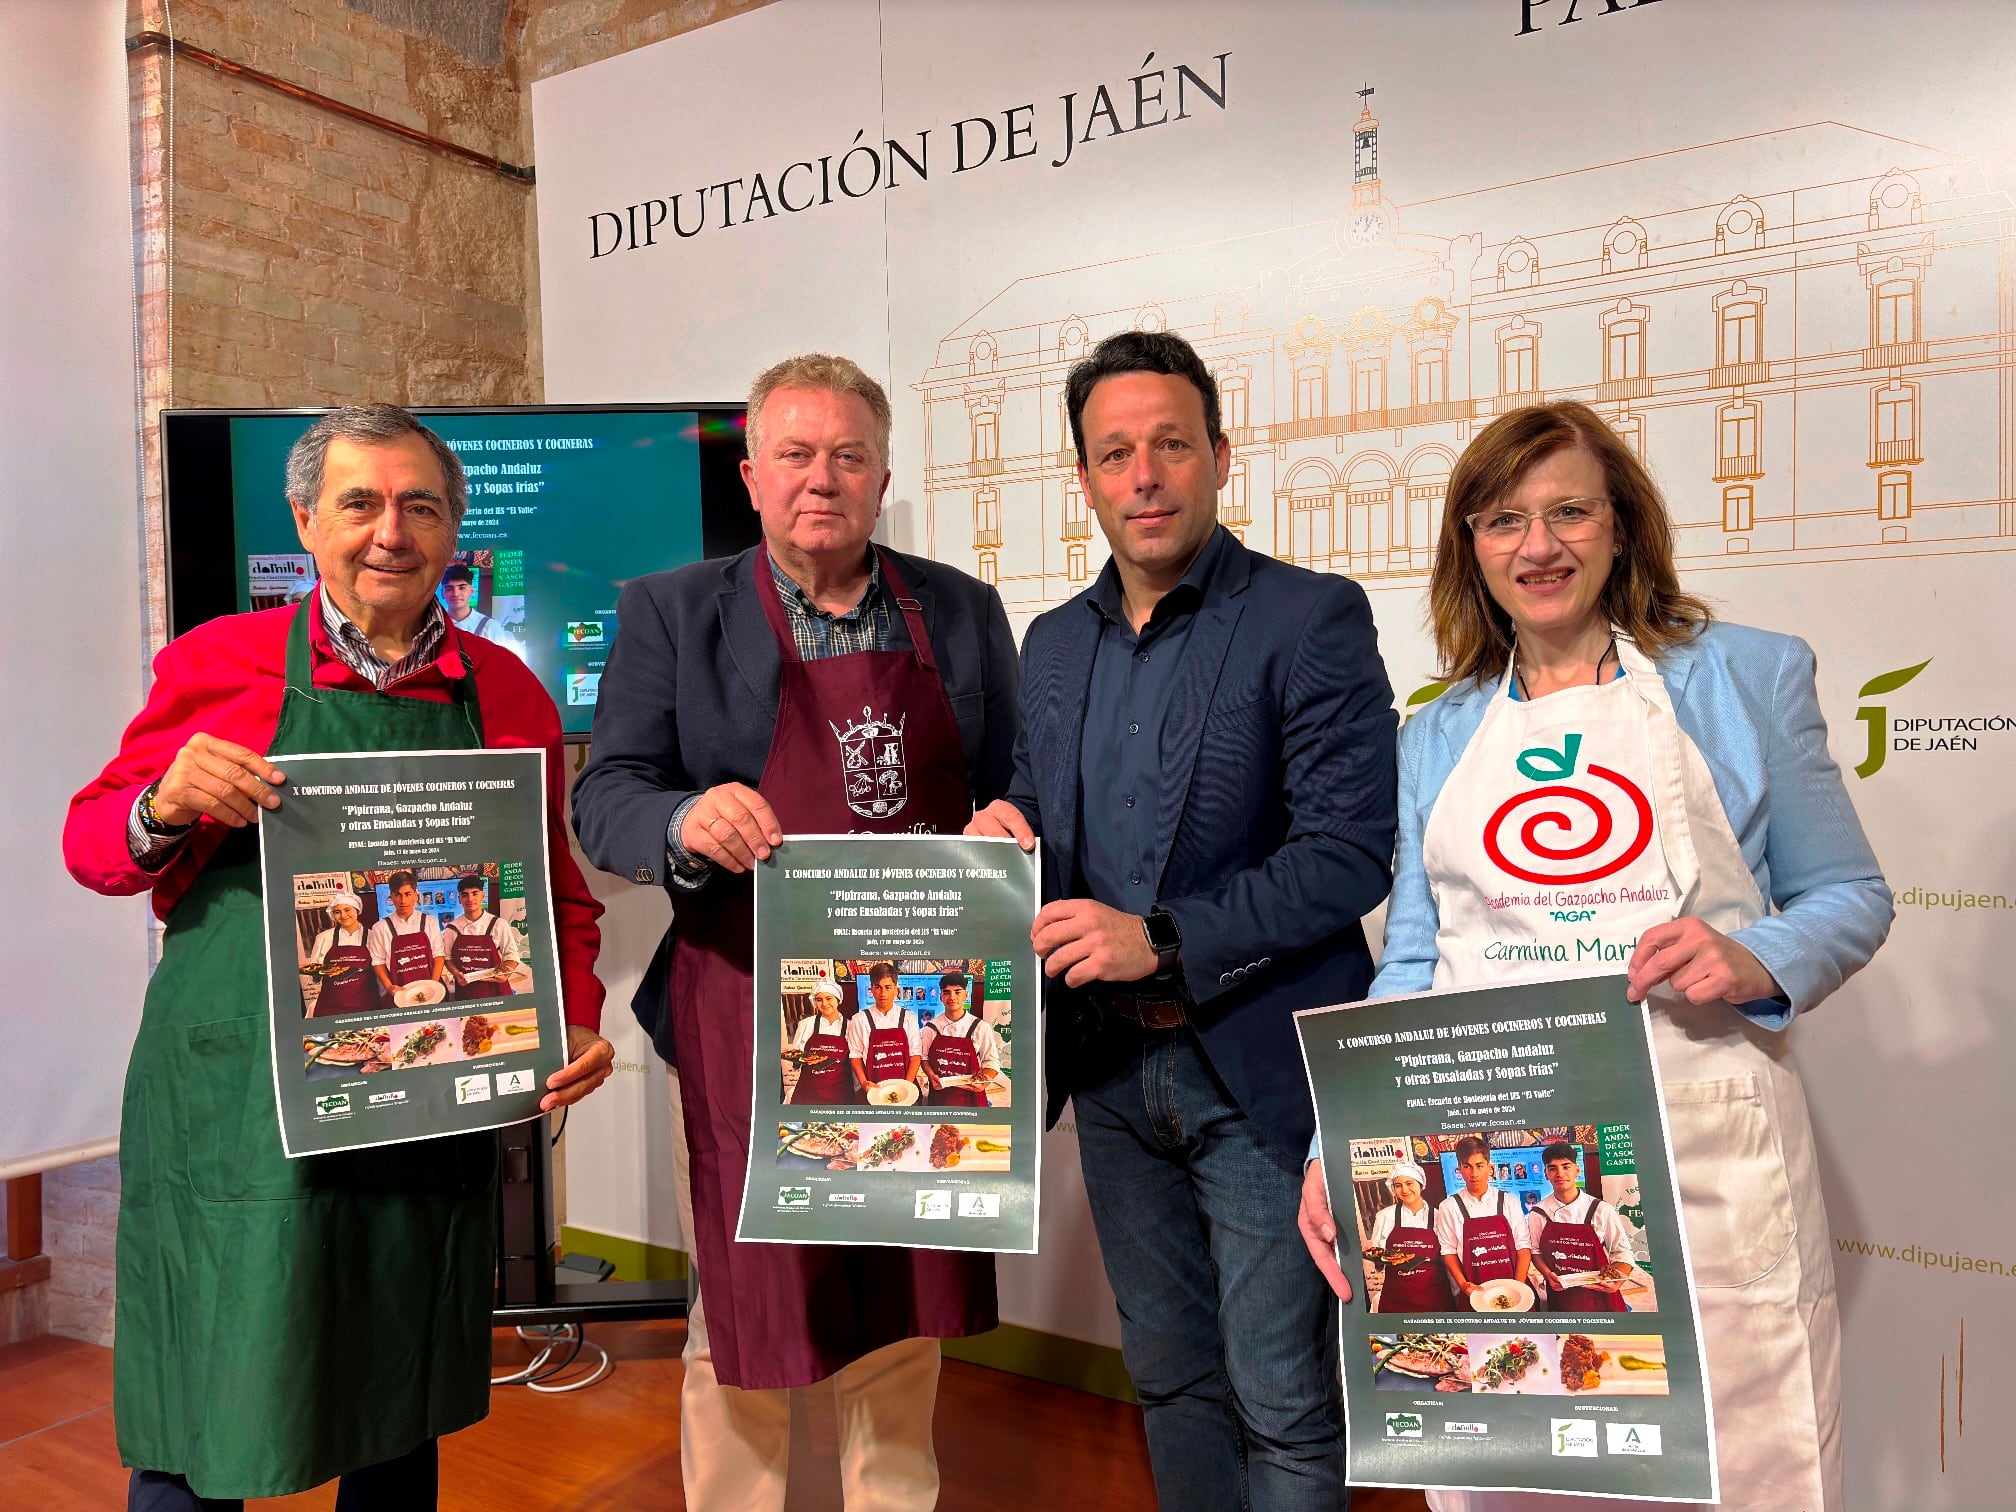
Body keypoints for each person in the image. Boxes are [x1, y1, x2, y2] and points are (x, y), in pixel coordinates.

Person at [1297, 400, 1892, 1512]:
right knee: (1519, 1465)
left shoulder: (1746, 679)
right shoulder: (1438, 731)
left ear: (1622, 526)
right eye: (1505, 519)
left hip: (1703, 1148)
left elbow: (1850, 894)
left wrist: (1756, 956)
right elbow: (1413, 965)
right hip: (1490, 1155)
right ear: (1469, 547)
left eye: (1570, 510)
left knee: (1744, 1463)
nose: (1540, 545)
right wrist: (1341, 1140)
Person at [63, 403, 615, 1511]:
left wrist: (580, 1013)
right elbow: (93, 845)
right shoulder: (216, 662)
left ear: (455, 529)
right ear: (307, 520)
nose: (389, 533)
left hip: (418, 1093)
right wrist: (166, 805)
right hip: (237, 1098)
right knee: (207, 1370)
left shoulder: (504, 693)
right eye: (359, 503)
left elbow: (553, 895)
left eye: (419, 506)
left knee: (392, 1380)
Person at [570, 353, 1019, 1512]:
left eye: (849, 455)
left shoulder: (961, 610)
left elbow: (1020, 779)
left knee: (903, 1307)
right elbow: (605, 795)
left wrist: (1016, 817)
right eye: (797, 455)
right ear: (755, 475)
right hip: (741, 1012)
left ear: (881, 474)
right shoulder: (671, 609)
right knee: (743, 1308)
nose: (824, 478)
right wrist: (683, 816)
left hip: (923, 1018)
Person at [967, 329, 1398, 1512]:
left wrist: (1156, 935)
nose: (1143, 476)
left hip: (1257, 1067)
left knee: (1284, 1402)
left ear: (1218, 454)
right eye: (1114, 454)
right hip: (1109, 1070)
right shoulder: (1054, 642)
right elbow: (1045, 796)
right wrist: (1009, 821)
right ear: (1088, 478)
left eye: (1168, 445)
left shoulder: (1310, 617)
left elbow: (1348, 854)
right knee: (1167, 1381)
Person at [1529, 1141, 1637, 1313]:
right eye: (1553, 1168)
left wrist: (1616, 1282)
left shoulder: (1601, 1209)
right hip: (1560, 1296)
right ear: (1546, 1174)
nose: (1560, 1174)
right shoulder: (1538, 1213)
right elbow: (1535, 1251)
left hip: (1600, 1296)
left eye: (1566, 1167)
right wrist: (1548, 1275)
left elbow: (1622, 1252)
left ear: (1577, 1170)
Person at [1434, 1136, 1533, 1303]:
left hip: (1515, 1287)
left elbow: (1523, 1246)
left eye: (1479, 1166)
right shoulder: (1448, 1206)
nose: (1474, 1174)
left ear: (1489, 1166)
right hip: (1473, 1292)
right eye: (1467, 1167)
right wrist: (1463, 1285)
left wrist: (1517, 1287)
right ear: (1459, 1168)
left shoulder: (1509, 1201)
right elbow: (1448, 1251)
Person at [1366, 1159, 1453, 1314]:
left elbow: (1448, 1261)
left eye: (1409, 1183)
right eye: (1398, 1185)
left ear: (1421, 1184)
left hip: (1434, 1299)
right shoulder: (1385, 1216)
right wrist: (1374, 1257)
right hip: (1397, 1300)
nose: (1404, 1190)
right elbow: (1379, 1264)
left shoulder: (1440, 1216)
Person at [920, 970, 1001, 1106]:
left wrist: (983, 1082)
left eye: (957, 992)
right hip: (940, 1095)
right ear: (940, 997)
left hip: (971, 1096)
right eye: (947, 992)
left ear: (966, 995)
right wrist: (931, 1076)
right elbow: (924, 1058)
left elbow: (991, 1061)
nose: (952, 997)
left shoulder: (980, 1027)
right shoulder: (930, 1028)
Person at [442, 872, 523, 1001]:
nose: (470, 899)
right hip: (466, 989)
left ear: (482, 896)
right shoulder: (452, 928)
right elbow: (448, 958)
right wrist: (457, 974)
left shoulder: (498, 924)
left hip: (496, 988)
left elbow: (511, 954)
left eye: (475, 893)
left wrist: (506, 972)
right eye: (465, 895)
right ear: (459, 899)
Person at [847, 960, 924, 1097]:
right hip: (873, 1089)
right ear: (871, 989)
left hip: (905, 1086)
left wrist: (906, 1087)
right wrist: (864, 1083)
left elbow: (915, 1055)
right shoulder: (859, 1019)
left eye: (888, 987)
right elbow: (855, 1056)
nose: (883, 993)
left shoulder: (909, 1018)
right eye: (878, 987)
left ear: (896, 989)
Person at [366, 868, 444, 1002]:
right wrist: (389, 987)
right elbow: (378, 962)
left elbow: (439, 956)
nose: (403, 900)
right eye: (397, 895)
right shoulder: (380, 927)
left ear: (416, 895)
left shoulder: (430, 922)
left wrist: (433, 986)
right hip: (399, 993)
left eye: (407, 894)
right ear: (390, 897)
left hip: (432, 990)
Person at [302, 889, 373, 1017]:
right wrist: (312, 972)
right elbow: (315, 973)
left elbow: (379, 972)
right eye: (337, 912)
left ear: (357, 910)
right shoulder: (323, 937)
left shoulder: (372, 936)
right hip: (330, 1006)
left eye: (347, 910)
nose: (343, 915)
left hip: (364, 1005)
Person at [786, 980, 856, 1105]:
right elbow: (796, 1058)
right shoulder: (806, 1025)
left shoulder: (851, 1026)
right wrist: (793, 1056)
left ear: (838, 999)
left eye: (829, 998)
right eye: (819, 999)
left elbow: (854, 1063)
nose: (824, 1004)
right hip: (809, 1093)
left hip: (840, 1095)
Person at [439, 562, 518, 648]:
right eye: (449, 588)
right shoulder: (434, 627)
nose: (456, 593)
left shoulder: (490, 627)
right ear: (442, 593)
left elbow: (502, 660)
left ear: (472, 591)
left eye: (462, 588)